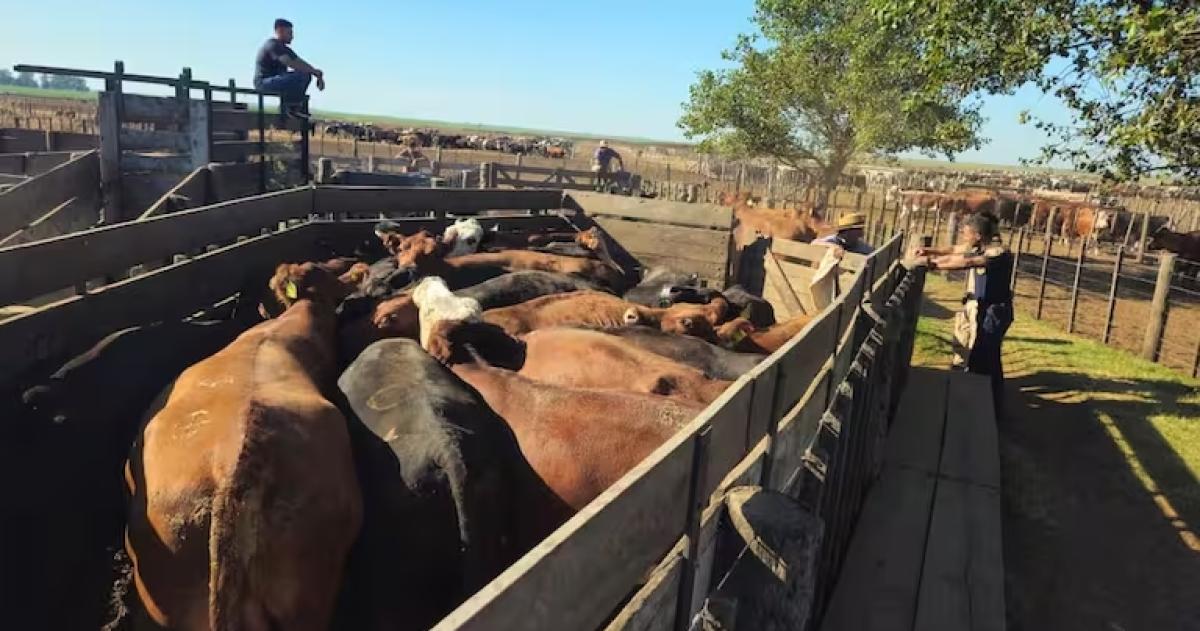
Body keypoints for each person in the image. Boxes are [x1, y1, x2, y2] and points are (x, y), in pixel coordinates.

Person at [915, 211, 1014, 417]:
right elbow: (953, 251)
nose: (963, 236)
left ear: (978, 235)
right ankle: (991, 405)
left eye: (967, 233)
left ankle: (983, 407)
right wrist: (929, 252)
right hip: (987, 308)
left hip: (995, 311)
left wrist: (932, 265)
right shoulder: (980, 247)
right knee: (988, 357)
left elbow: (966, 263)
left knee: (983, 356)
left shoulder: (997, 253)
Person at [254, 18, 325, 120]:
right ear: (280, 31)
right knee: (302, 75)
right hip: (263, 83)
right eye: (290, 33)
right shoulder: (272, 44)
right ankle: (290, 107)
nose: (292, 36)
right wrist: (313, 72)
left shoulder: (285, 49)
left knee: (304, 75)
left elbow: (299, 62)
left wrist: (317, 73)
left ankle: (292, 107)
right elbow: (289, 62)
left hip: (276, 81)